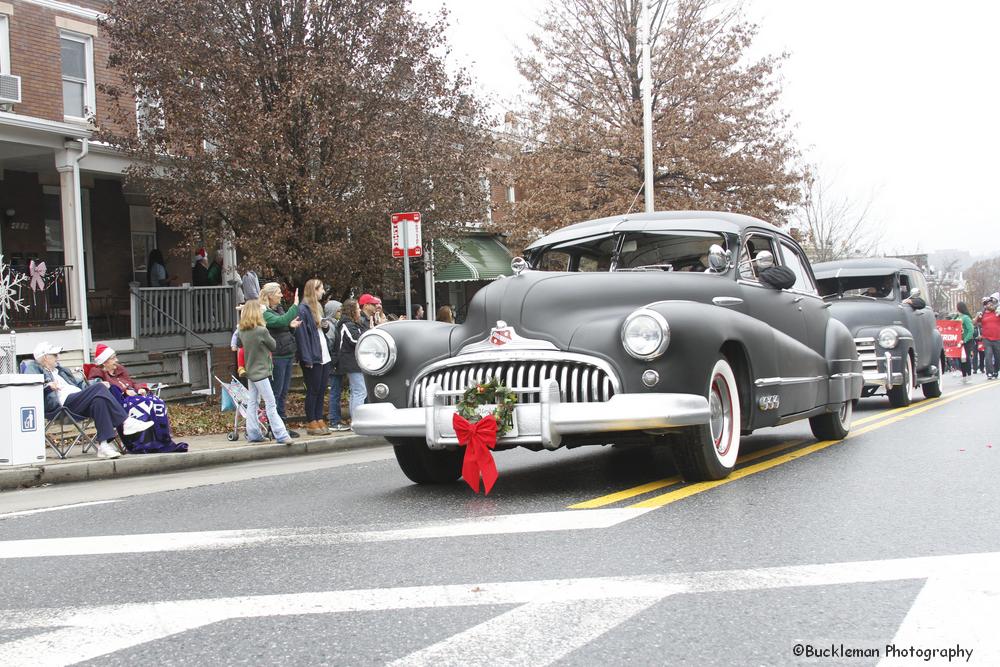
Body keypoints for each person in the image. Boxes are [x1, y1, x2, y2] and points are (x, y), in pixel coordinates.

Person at [26, 343, 153, 459]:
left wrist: (97, 381)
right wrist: (48, 386)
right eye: (54, 355)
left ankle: (104, 446)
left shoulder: (61, 371)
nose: (57, 357)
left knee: (99, 401)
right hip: (62, 405)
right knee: (99, 389)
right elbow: (30, 386)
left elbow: (79, 384)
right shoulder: (34, 368)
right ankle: (126, 421)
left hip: (77, 400)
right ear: (44, 358)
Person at [86, 344, 188, 453]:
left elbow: (132, 383)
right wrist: (125, 391)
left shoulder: (120, 370)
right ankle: (143, 443)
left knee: (157, 402)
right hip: (118, 405)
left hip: (134, 397)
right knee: (146, 404)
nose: (117, 360)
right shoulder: (97, 372)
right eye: (113, 358)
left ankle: (162, 440)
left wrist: (140, 388)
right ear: (104, 362)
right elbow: (100, 389)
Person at [237, 299, 291, 444]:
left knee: (253, 402)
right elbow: (273, 345)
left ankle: (253, 433)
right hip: (261, 372)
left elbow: (238, 345)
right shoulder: (261, 330)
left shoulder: (242, 331)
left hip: (249, 371)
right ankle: (281, 434)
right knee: (271, 402)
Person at [295, 279, 332, 435]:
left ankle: (319, 417)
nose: (323, 292)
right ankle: (311, 421)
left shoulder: (317, 307)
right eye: (320, 289)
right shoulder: (302, 309)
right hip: (313, 356)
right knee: (313, 389)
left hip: (323, 354)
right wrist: (307, 358)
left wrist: (326, 326)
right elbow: (301, 336)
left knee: (322, 388)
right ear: (313, 290)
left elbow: (321, 331)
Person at [333, 299, 368, 429]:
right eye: (358, 308)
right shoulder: (346, 325)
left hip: (353, 361)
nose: (359, 311)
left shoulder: (353, 324)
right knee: (360, 391)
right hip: (350, 361)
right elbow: (356, 340)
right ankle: (357, 421)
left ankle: (356, 420)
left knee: (357, 391)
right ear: (352, 311)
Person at [975, 296, 1000, 380]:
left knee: (998, 357)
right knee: (988, 355)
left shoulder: (997, 312)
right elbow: (974, 323)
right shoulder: (982, 314)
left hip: (997, 338)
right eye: (989, 304)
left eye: (992, 303)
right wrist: (977, 316)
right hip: (986, 339)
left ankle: (996, 371)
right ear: (985, 306)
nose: (991, 305)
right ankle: (989, 372)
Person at [956, 302, 975, 383]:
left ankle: (969, 375)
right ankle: (964, 376)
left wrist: (965, 340)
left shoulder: (966, 318)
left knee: (966, 358)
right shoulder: (957, 317)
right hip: (958, 341)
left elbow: (971, 330)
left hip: (966, 341)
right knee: (960, 359)